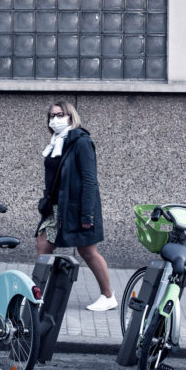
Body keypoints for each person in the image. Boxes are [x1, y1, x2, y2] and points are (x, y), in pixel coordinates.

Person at [36, 101, 117, 311]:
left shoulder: (81, 142)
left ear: (71, 117)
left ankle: (108, 296)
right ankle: (36, 295)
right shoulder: (55, 142)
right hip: (55, 208)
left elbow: (90, 181)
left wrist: (87, 214)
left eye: (60, 115)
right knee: (43, 245)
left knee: (87, 250)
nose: (55, 119)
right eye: (51, 116)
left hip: (77, 207)